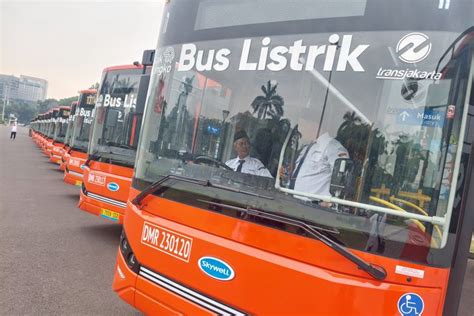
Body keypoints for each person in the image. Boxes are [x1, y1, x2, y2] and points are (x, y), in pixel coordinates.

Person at [284, 132, 349, 202]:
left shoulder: (334, 147)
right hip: (291, 201)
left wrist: (330, 202)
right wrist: (286, 175)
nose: (301, 127)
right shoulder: (307, 146)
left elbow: (343, 179)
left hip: (313, 208)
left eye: (305, 122)